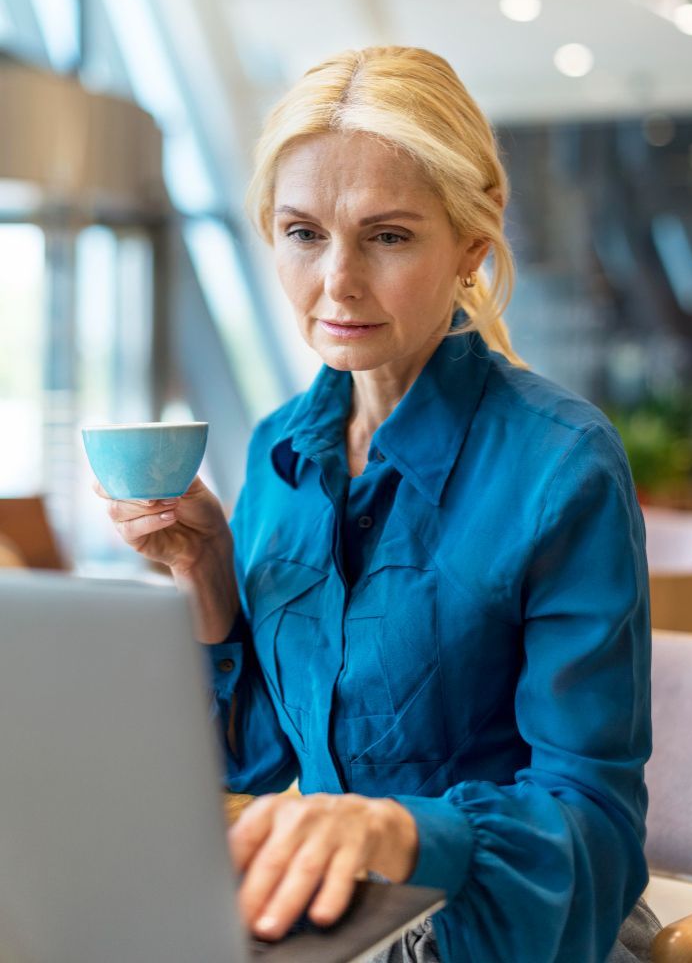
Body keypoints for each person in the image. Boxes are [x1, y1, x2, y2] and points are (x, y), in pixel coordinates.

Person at [97, 46, 661, 962]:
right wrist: (205, 575)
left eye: (388, 236)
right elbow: (257, 764)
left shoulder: (562, 465)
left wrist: (402, 832)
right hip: (342, 914)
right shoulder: (280, 451)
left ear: (472, 245)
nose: (337, 283)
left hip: (512, 928)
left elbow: (593, 831)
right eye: (303, 233)